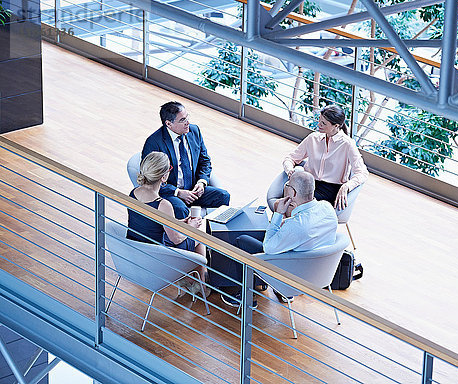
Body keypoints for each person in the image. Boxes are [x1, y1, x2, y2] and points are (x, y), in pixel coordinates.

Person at [223, 171, 338, 308]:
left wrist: (278, 213)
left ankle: (246, 296)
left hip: (292, 274)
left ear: (293, 193)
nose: (285, 187)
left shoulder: (297, 225)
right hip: (318, 272)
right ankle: (272, 288)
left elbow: (268, 248)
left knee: (242, 240)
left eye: (287, 185)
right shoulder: (328, 208)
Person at [127, 151, 208, 292]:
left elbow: (152, 224)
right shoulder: (162, 204)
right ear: (164, 177)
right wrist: (191, 227)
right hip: (157, 258)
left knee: (193, 232)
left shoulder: (133, 193)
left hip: (136, 252)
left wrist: (181, 222)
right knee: (199, 236)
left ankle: (191, 280)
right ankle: (200, 284)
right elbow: (176, 239)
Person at [142, 101, 230, 219]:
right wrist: (178, 192)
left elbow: (205, 161)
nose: (187, 122)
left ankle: (213, 233)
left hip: (193, 189)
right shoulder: (154, 142)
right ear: (168, 123)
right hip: (171, 193)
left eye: (187, 117)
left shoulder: (194, 131)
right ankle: (188, 237)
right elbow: (151, 178)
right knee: (180, 209)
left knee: (223, 196)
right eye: (182, 120)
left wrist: (201, 182)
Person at [283, 104, 368, 211]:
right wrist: (289, 169)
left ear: (336, 126)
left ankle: (284, 225)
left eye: (323, 123)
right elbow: (290, 158)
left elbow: (362, 173)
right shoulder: (313, 138)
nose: (319, 124)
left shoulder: (347, 144)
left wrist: (347, 186)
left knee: (296, 204)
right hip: (308, 183)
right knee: (285, 199)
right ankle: (280, 226)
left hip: (329, 189)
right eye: (319, 120)